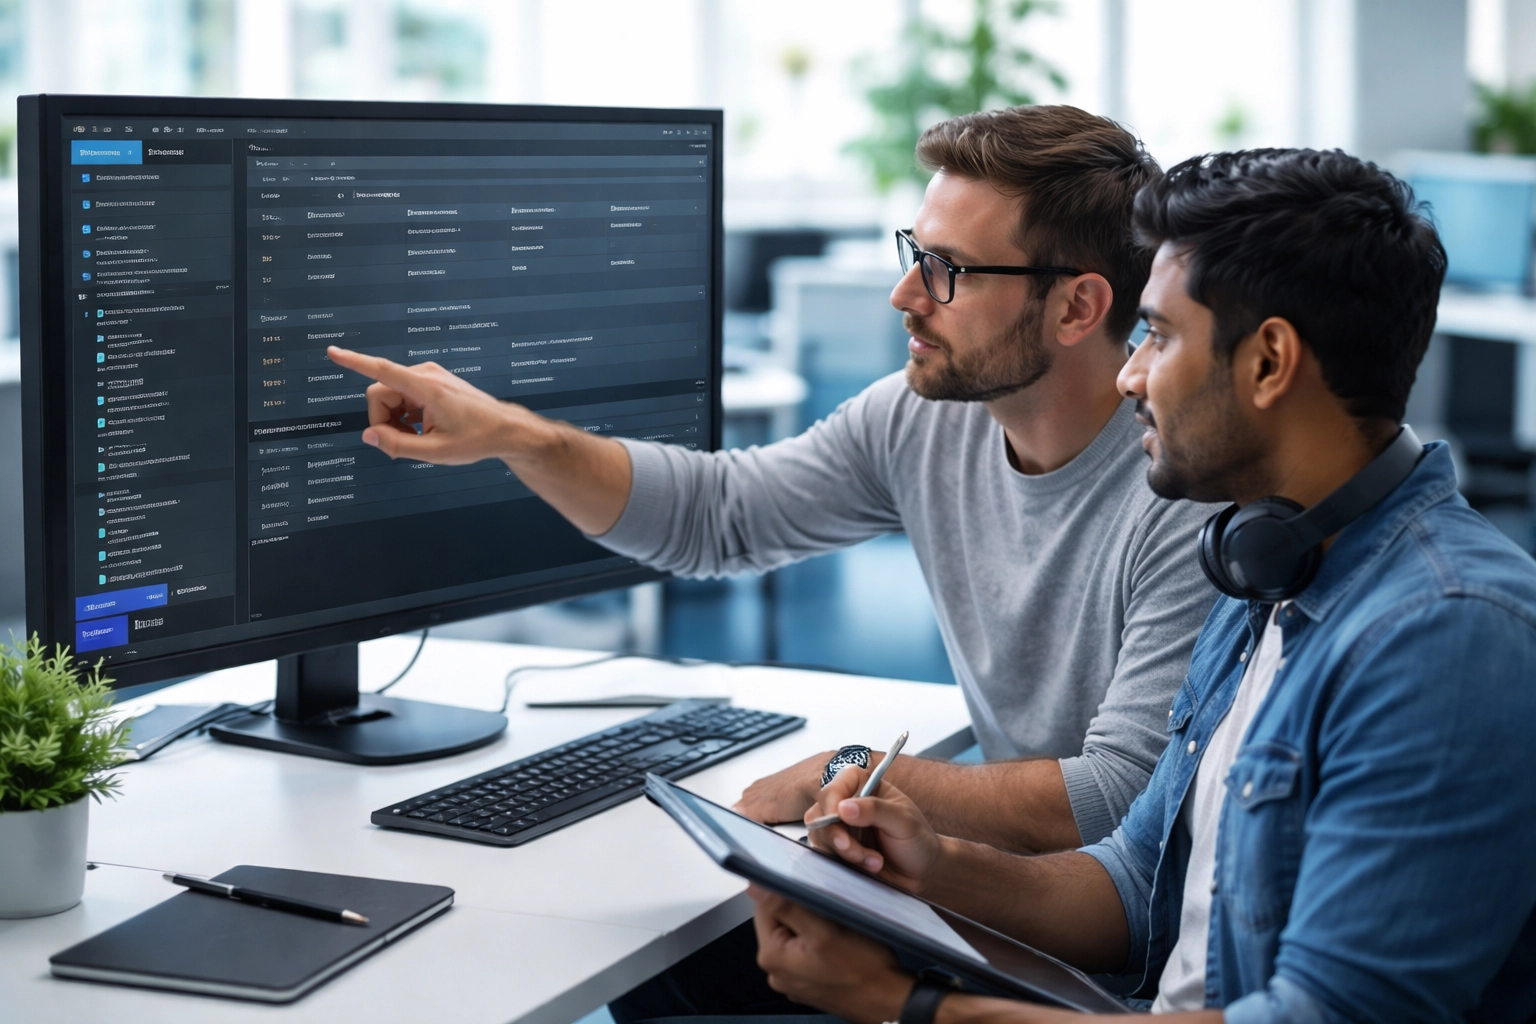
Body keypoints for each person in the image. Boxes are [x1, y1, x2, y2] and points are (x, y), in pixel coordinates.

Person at [744, 148, 1536, 1023]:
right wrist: (932, 863)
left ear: (1269, 362)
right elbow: (1136, 887)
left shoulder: (1447, 636)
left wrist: (911, 1007)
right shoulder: (1266, 566)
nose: (1128, 375)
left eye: (1156, 335)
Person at [329, 104, 1219, 859]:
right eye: (915, 250)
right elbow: (718, 517)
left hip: (1108, 944)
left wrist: (858, 773)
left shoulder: (1185, 485)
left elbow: (1121, 796)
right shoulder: (919, 419)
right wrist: (510, 437)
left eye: (947, 270)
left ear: (1076, 307)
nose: (905, 293)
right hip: (1000, 882)